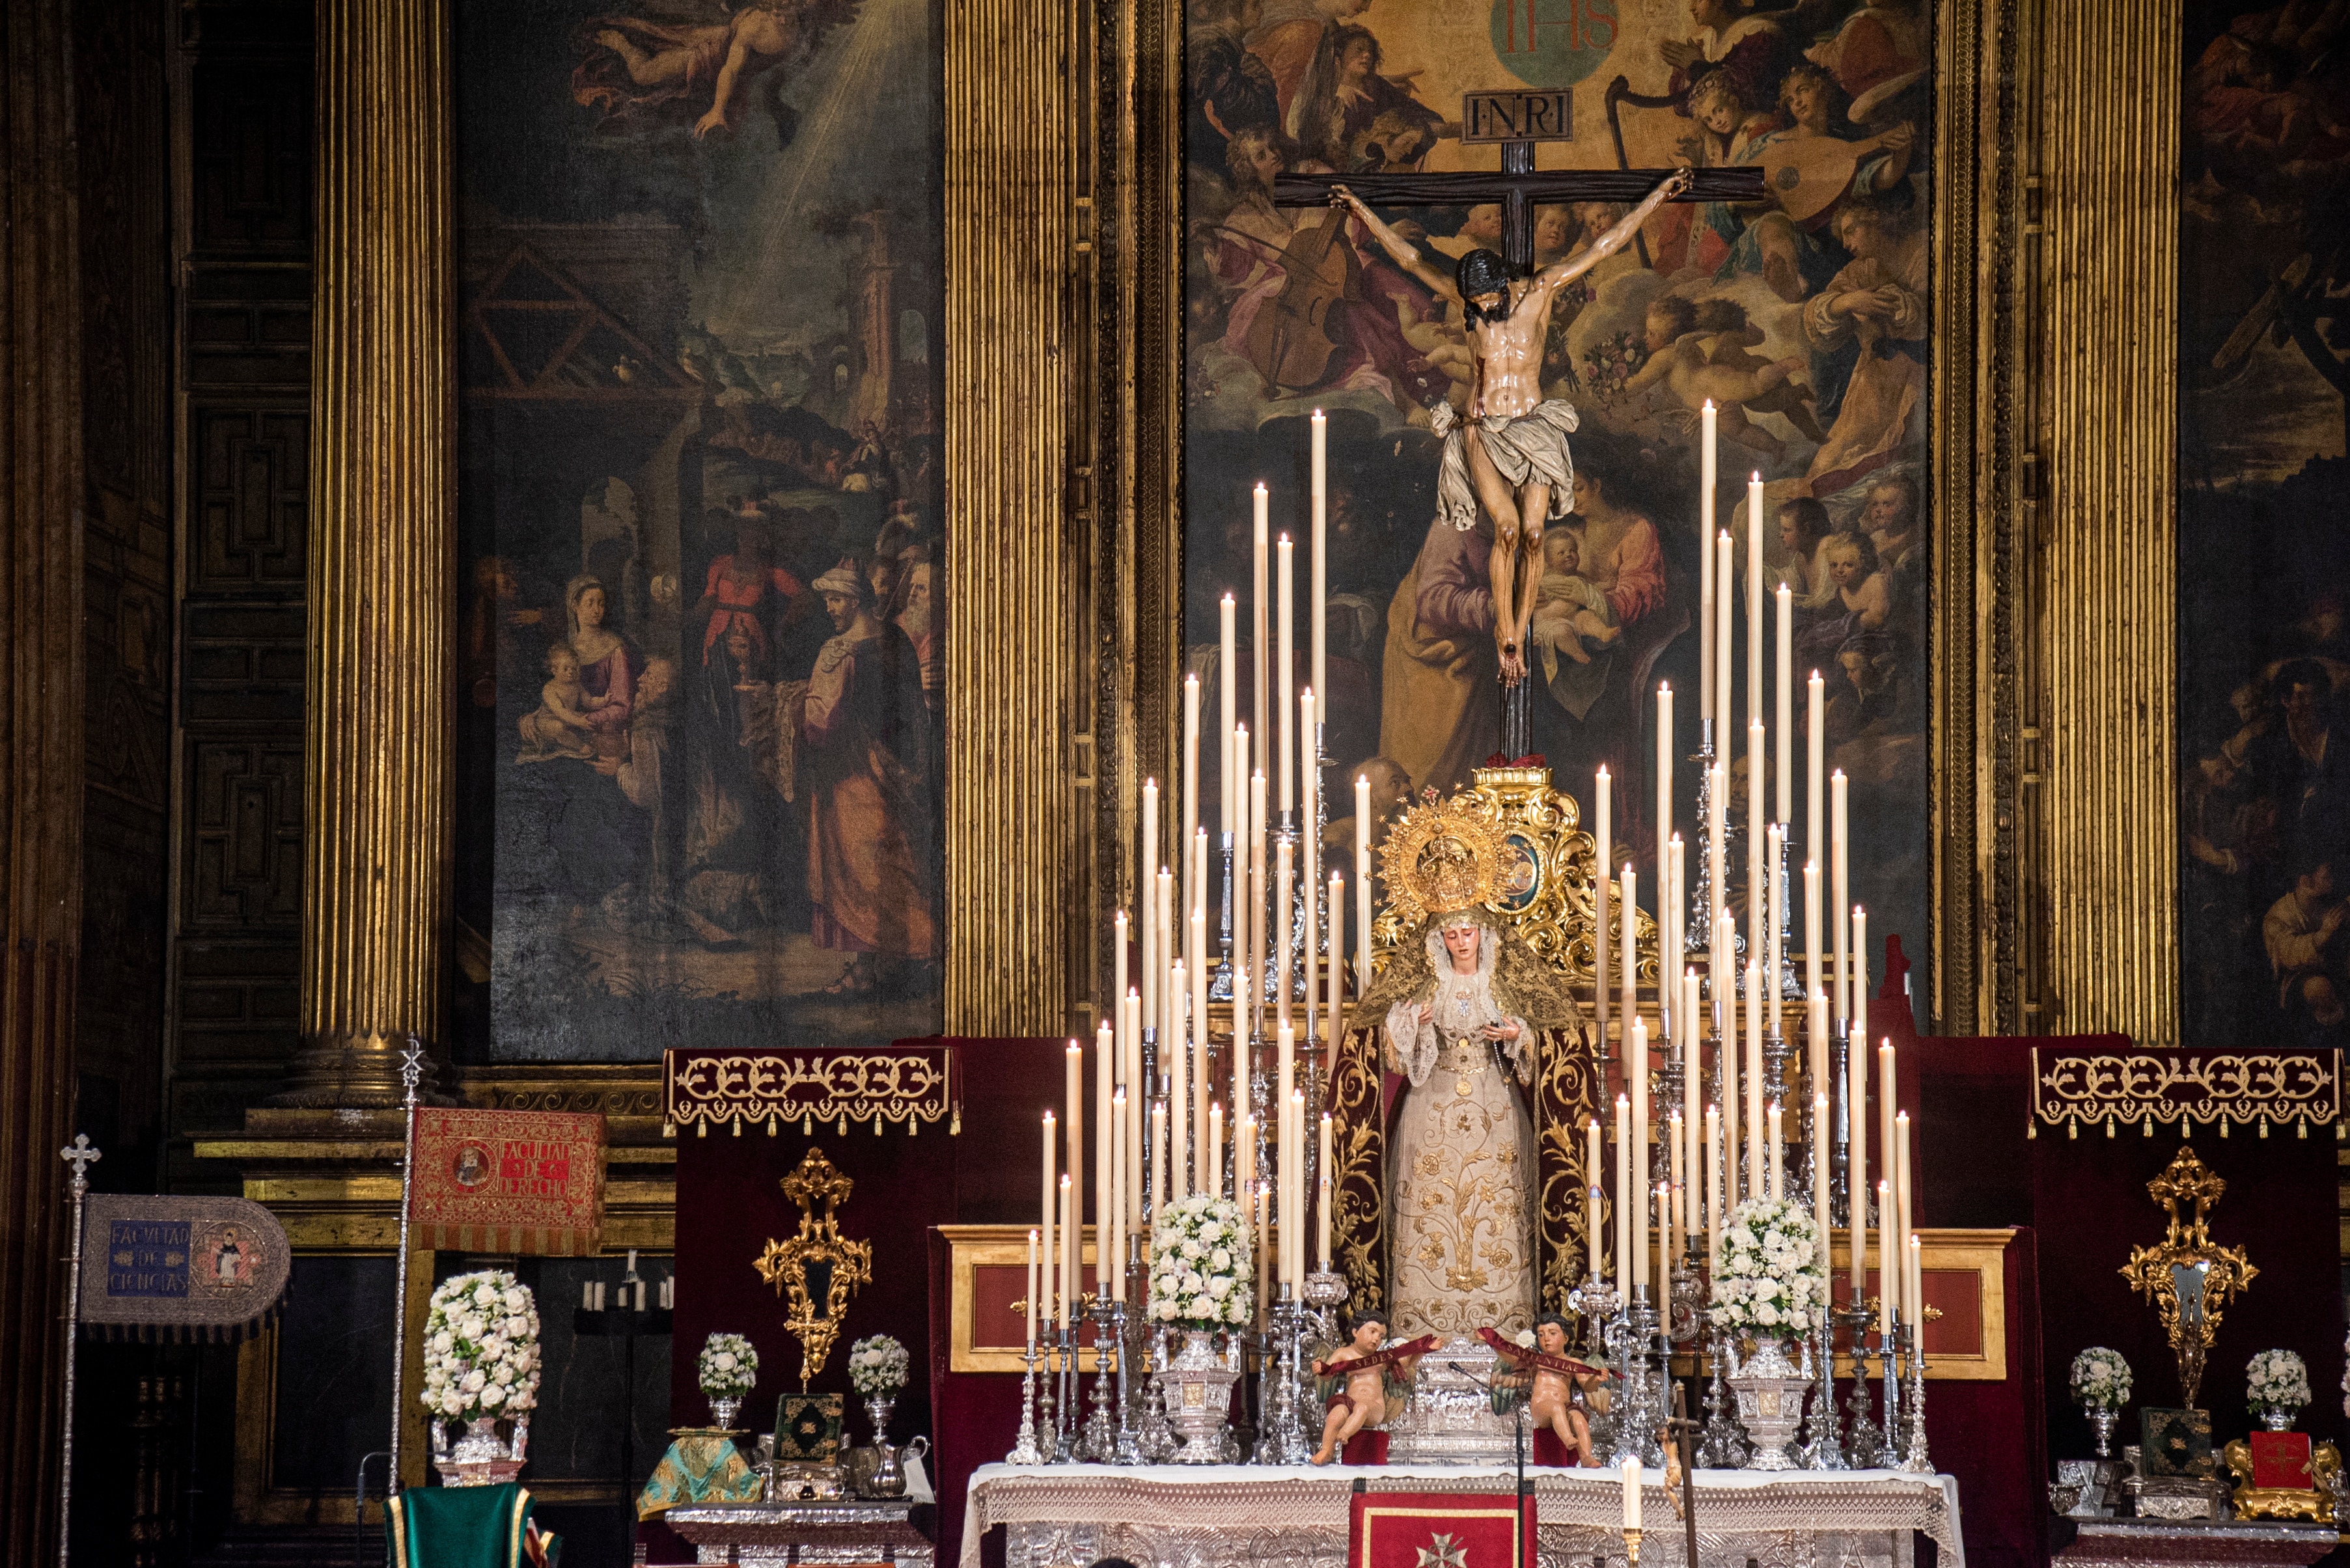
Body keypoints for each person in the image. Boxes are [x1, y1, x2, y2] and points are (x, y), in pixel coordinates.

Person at [1333, 169, 1693, 684]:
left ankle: (1521, 630)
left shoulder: (1540, 294)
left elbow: (1606, 245)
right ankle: (1510, 641)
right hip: (1484, 429)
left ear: (1504, 286)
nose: (1478, 313)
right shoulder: (1472, 302)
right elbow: (1409, 258)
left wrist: (1658, 196)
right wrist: (1359, 209)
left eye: (1486, 303)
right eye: (1472, 306)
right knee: (1505, 529)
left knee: (1530, 536)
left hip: (1531, 430)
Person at [1356, 907, 1579, 1340]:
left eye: (1469, 932)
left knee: (1495, 1199)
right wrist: (1412, 1025)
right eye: (1453, 934)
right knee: (1429, 1196)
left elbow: (1544, 1040)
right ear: (1441, 939)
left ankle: (1505, 1330)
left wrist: (1518, 1037)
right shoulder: (1429, 984)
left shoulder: (1501, 984)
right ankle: (1421, 1329)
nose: (1461, 942)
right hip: (1431, 1102)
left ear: (1484, 935)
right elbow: (1394, 1053)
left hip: (1494, 1102)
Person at [797, 560, 938, 994]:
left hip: (853, 770)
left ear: (855, 600)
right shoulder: (894, 639)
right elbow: (913, 711)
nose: (830, 608)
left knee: (862, 867)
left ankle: (894, 962)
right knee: (889, 861)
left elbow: (820, 722)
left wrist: (792, 707)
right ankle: (877, 967)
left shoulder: (838, 650)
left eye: (835, 599)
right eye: (826, 600)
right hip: (894, 765)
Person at [1310, 1311, 1433, 1464]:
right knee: (1336, 1415)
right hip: (1351, 1402)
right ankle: (1326, 1451)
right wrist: (1319, 1368)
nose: (1377, 1338)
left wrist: (1426, 1349)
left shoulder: (1381, 1358)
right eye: (1373, 1331)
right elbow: (1328, 1374)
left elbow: (1407, 1364)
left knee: (1362, 1408)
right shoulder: (1343, 1353)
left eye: (1381, 1336)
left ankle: (1344, 1434)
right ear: (1355, 1332)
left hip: (1374, 1407)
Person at [1489, 1314, 1609, 1465]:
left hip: (1565, 1407)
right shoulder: (1535, 1360)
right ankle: (1567, 1439)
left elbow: (1587, 1386)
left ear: (1566, 1338)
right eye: (1541, 1335)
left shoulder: (1573, 1362)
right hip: (1542, 1407)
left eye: (1552, 1333)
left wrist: (1596, 1380)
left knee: (1579, 1420)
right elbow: (1510, 1355)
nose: (1546, 1339)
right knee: (1555, 1407)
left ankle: (1586, 1458)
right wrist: (1492, 1341)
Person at [1528, 529, 1620, 724]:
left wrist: (1605, 586)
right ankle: (1578, 654)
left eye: (1572, 550)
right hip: (1549, 624)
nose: (1568, 555)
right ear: (1549, 561)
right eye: (1561, 553)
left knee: (1585, 617)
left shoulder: (1581, 577)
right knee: (1562, 631)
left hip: (1573, 618)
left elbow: (1594, 590)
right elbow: (1533, 597)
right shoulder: (1547, 580)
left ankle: (1604, 633)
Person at [564, 575, 637, 762]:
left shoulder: (615, 648)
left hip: (605, 731)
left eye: (601, 604)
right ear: (575, 606)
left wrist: (587, 720)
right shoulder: (567, 649)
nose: (597, 610)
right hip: (571, 727)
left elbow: (622, 705)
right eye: (590, 603)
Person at [516, 645, 605, 763]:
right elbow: (559, 711)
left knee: (590, 719)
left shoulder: (577, 685)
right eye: (566, 669)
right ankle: (580, 746)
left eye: (573, 669)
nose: (570, 672)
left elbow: (588, 702)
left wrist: (603, 701)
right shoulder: (550, 688)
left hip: (568, 717)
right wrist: (578, 721)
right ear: (554, 670)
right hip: (547, 721)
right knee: (558, 727)